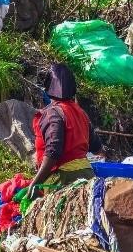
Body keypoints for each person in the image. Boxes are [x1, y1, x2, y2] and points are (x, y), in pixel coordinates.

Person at [26, 63, 102, 200]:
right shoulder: (81, 113)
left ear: (48, 88)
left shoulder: (52, 114)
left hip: (63, 179)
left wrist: (35, 183)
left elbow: (54, 152)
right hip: (88, 176)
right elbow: (96, 147)